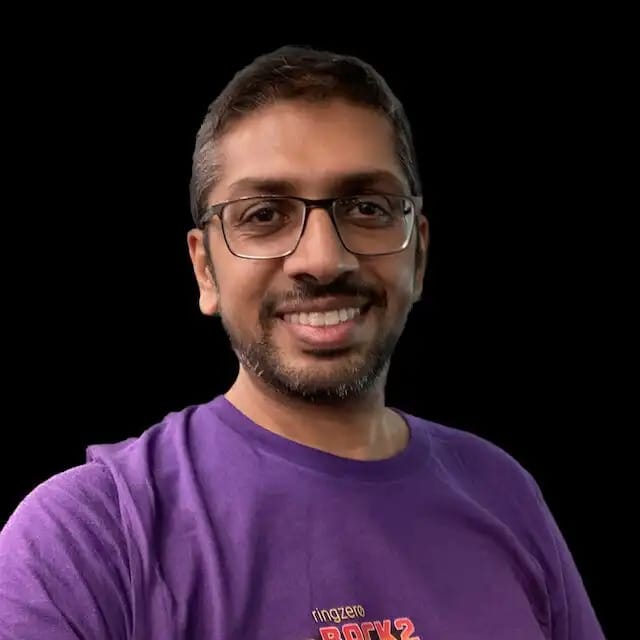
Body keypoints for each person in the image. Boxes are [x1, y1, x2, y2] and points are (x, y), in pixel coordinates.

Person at [0, 45, 604, 640]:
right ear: (205, 270)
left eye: (367, 206)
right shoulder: (86, 540)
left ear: (418, 255)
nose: (322, 259)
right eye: (264, 214)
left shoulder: (504, 494)